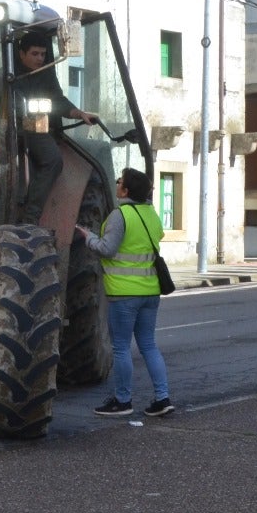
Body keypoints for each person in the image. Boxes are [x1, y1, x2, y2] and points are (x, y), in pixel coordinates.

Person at [77, 167, 173, 418]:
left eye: (120, 181)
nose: (117, 183)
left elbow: (107, 249)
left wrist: (89, 238)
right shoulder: (151, 214)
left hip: (123, 294)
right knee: (149, 346)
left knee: (120, 348)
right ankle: (162, 398)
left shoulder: (121, 215)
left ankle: (122, 400)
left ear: (126, 190)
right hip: (150, 291)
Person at [8, 29, 97, 224]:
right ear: (21, 53)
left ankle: (30, 216)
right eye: (34, 54)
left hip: (34, 128)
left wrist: (79, 113)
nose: (40, 59)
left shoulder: (46, 74)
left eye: (42, 54)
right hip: (7, 129)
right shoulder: (7, 74)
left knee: (53, 159)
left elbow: (57, 99)